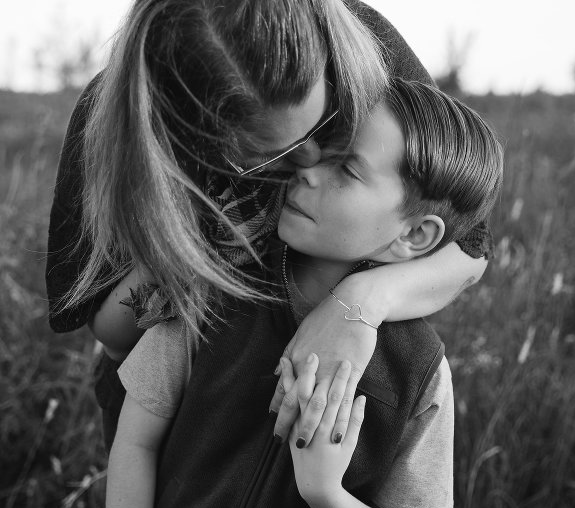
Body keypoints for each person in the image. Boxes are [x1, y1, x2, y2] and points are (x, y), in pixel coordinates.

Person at [45, 0, 494, 453]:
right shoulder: (116, 117)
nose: (309, 161)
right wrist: (193, 243)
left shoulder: (365, 42)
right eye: (268, 154)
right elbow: (109, 330)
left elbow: (470, 241)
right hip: (166, 413)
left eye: (325, 127)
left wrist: (356, 306)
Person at [107, 77, 504, 508]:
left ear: (415, 234)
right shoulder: (215, 292)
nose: (307, 170)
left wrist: (327, 494)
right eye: (320, 147)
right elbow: (136, 444)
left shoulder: (418, 371)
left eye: (348, 169)